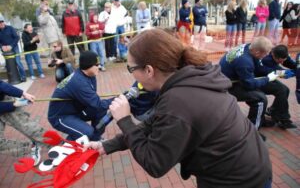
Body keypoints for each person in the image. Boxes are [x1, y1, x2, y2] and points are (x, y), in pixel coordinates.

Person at [84, 29, 272, 188]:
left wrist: (125, 121)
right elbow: (154, 123)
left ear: (149, 70)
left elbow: (155, 163)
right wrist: (106, 146)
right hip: (248, 165)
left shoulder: (178, 100)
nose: (133, 75)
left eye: (131, 69)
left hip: (238, 181)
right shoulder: (190, 78)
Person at [219, 36, 296, 130]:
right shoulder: (245, 61)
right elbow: (249, 84)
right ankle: (252, 131)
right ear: (257, 52)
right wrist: (267, 79)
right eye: (266, 54)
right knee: (260, 99)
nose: (267, 56)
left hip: (242, 78)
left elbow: (259, 67)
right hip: (229, 85)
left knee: (282, 89)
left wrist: (279, 73)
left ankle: (275, 114)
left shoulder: (249, 47)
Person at [48, 51, 113, 141]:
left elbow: (94, 102)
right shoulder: (79, 82)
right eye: (96, 64)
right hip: (60, 116)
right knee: (88, 132)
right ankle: (66, 146)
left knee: (101, 110)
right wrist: (119, 99)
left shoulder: (90, 75)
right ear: (87, 66)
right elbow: (97, 103)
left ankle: (95, 139)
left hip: (75, 110)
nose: (99, 66)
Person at [0, 79, 42, 165]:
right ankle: (32, 147)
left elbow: (1, 84)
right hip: (6, 105)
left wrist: (23, 93)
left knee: (28, 127)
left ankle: (59, 144)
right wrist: (12, 105)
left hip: (3, 100)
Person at [258, 45, 297, 129]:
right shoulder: (266, 59)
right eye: (278, 60)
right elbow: (277, 71)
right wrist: (286, 73)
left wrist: (297, 68)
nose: (281, 62)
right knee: (282, 90)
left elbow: (291, 64)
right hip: (259, 79)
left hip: (270, 77)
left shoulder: (282, 54)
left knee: (285, 90)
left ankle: (273, 110)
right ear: (273, 55)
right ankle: (284, 119)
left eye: (283, 60)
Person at [0, 15, 27, 82]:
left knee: (17, 62)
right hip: (5, 50)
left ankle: (23, 76)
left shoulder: (10, 28)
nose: (1, 23)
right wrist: (1, 46)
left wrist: (11, 46)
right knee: (7, 65)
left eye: (2, 22)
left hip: (14, 47)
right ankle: (12, 78)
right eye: (0, 23)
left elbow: (17, 37)